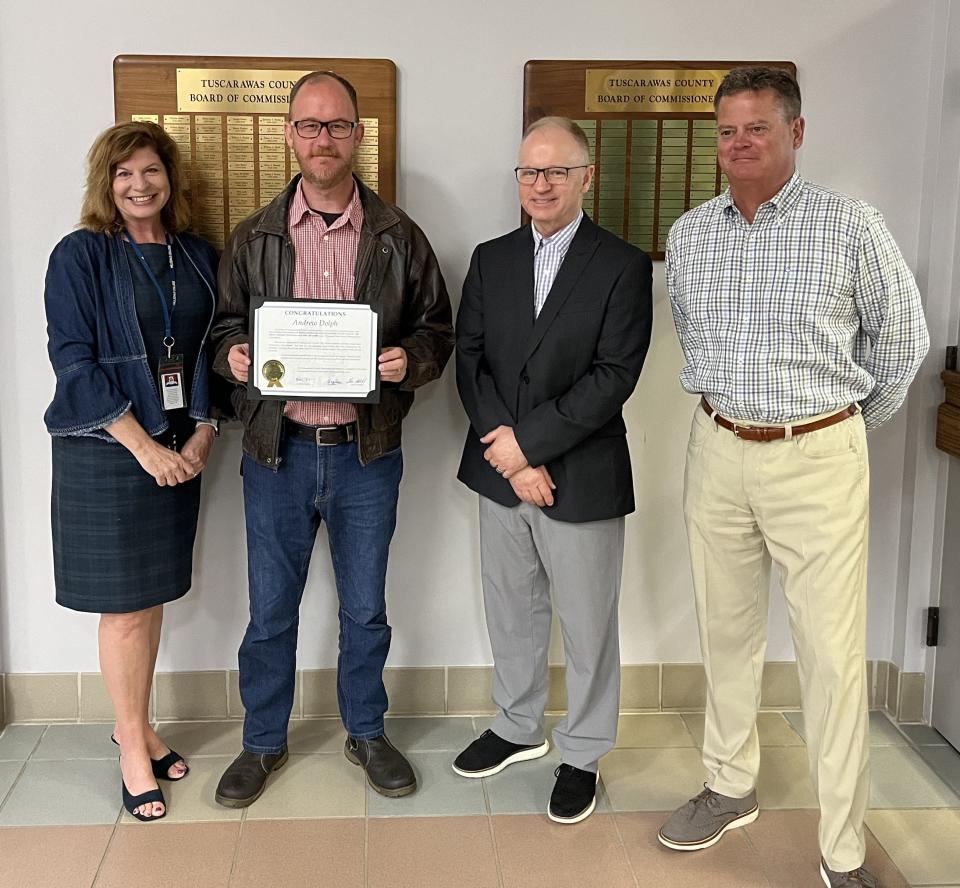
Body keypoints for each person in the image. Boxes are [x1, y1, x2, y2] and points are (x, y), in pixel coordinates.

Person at [660, 67, 929, 888]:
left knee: (833, 659)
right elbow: (692, 340)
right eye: (728, 130)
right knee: (726, 633)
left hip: (816, 457)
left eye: (758, 129)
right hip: (716, 450)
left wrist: (833, 432)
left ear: (797, 133)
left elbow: (902, 346)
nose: (740, 144)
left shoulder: (851, 226)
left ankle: (843, 851)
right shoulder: (692, 233)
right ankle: (728, 784)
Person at [210, 71, 453, 807]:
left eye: (338, 125)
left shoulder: (398, 236)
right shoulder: (253, 236)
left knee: (364, 609)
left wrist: (409, 361)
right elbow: (221, 329)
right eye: (310, 125)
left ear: (357, 136)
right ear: (290, 134)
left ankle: (367, 732)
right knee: (270, 611)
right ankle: (262, 742)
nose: (324, 139)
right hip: (275, 453)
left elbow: (439, 331)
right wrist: (233, 357)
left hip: (364, 454)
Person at [453, 116, 652, 824]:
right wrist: (508, 456)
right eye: (529, 172)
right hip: (500, 473)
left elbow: (613, 375)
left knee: (588, 623)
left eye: (556, 171)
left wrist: (527, 448)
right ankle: (515, 725)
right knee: (512, 609)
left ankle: (584, 751)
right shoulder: (491, 257)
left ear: (586, 178)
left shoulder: (622, 266)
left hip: (582, 474)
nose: (540, 184)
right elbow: (469, 361)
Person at [43, 121, 221, 821]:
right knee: (122, 611)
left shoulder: (198, 255)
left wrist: (204, 429)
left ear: (170, 179)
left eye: (150, 170)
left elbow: (211, 348)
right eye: (124, 174)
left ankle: (140, 724)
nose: (140, 185)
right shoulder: (80, 255)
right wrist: (143, 445)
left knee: (151, 602)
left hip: (179, 448)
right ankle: (128, 747)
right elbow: (73, 361)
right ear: (105, 184)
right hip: (108, 452)